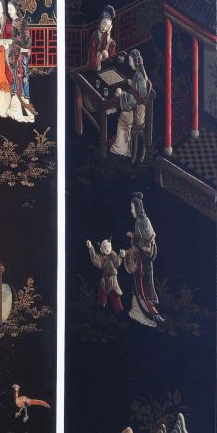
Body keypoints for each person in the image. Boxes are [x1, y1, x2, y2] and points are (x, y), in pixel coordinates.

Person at [123, 192, 164, 327]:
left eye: (132, 208)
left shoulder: (139, 222)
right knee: (144, 287)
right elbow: (147, 239)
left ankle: (144, 314)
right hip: (148, 260)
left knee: (140, 287)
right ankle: (149, 313)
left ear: (137, 208)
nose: (131, 210)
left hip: (142, 261)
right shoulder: (145, 220)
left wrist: (133, 239)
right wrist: (134, 235)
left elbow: (143, 242)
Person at [110, 48, 152, 160]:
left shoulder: (139, 75)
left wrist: (122, 94)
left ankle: (122, 149)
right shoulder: (140, 73)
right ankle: (122, 146)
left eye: (130, 61)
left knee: (122, 117)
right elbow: (138, 91)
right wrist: (132, 84)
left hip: (138, 114)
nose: (129, 63)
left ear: (135, 61)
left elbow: (139, 98)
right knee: (121, 109)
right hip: (138, 109)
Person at [2, 0, 35, 123]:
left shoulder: (19, 22)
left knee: (20, 82)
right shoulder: (17, 21)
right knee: (19, 83)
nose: (9, 11)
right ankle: (18, 111)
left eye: (11, 9)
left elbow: (24, 40)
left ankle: (25, 112)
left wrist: (11, 46)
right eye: (8, 9)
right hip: (18, 55)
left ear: (16, 8)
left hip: (20, 56)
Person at [86, 238, 125, 313]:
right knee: (102, 291)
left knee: (115, 295)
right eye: (105, 247)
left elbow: (117, 263)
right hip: (104, 278)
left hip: (112, 279)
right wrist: (91, 248)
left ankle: (118, 309)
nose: (107, 249)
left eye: (109, 247)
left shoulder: (113, 255)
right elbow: (95, 260)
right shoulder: (101, 257)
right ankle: (101, 305)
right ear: (101, 249)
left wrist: (120, 255)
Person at [88, 4, 116, 71]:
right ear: (100, 21)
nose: (105, 27)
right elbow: (92, 52)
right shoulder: (95, 35)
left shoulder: (112, 42)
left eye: (107, 26)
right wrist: (94, 65)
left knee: (110, 45)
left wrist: (108, 34)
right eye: (104, 24)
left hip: (105, 66)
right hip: (94, 64)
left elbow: (110, 56)